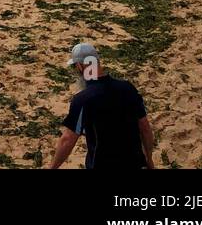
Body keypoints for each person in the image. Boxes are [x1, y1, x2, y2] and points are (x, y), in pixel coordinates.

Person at [48, 42, 155, 170]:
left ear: (79, 66)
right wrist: (149, 159)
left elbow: (68, 140)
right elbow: (145, 128)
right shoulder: (128, 89)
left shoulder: (83, 100)